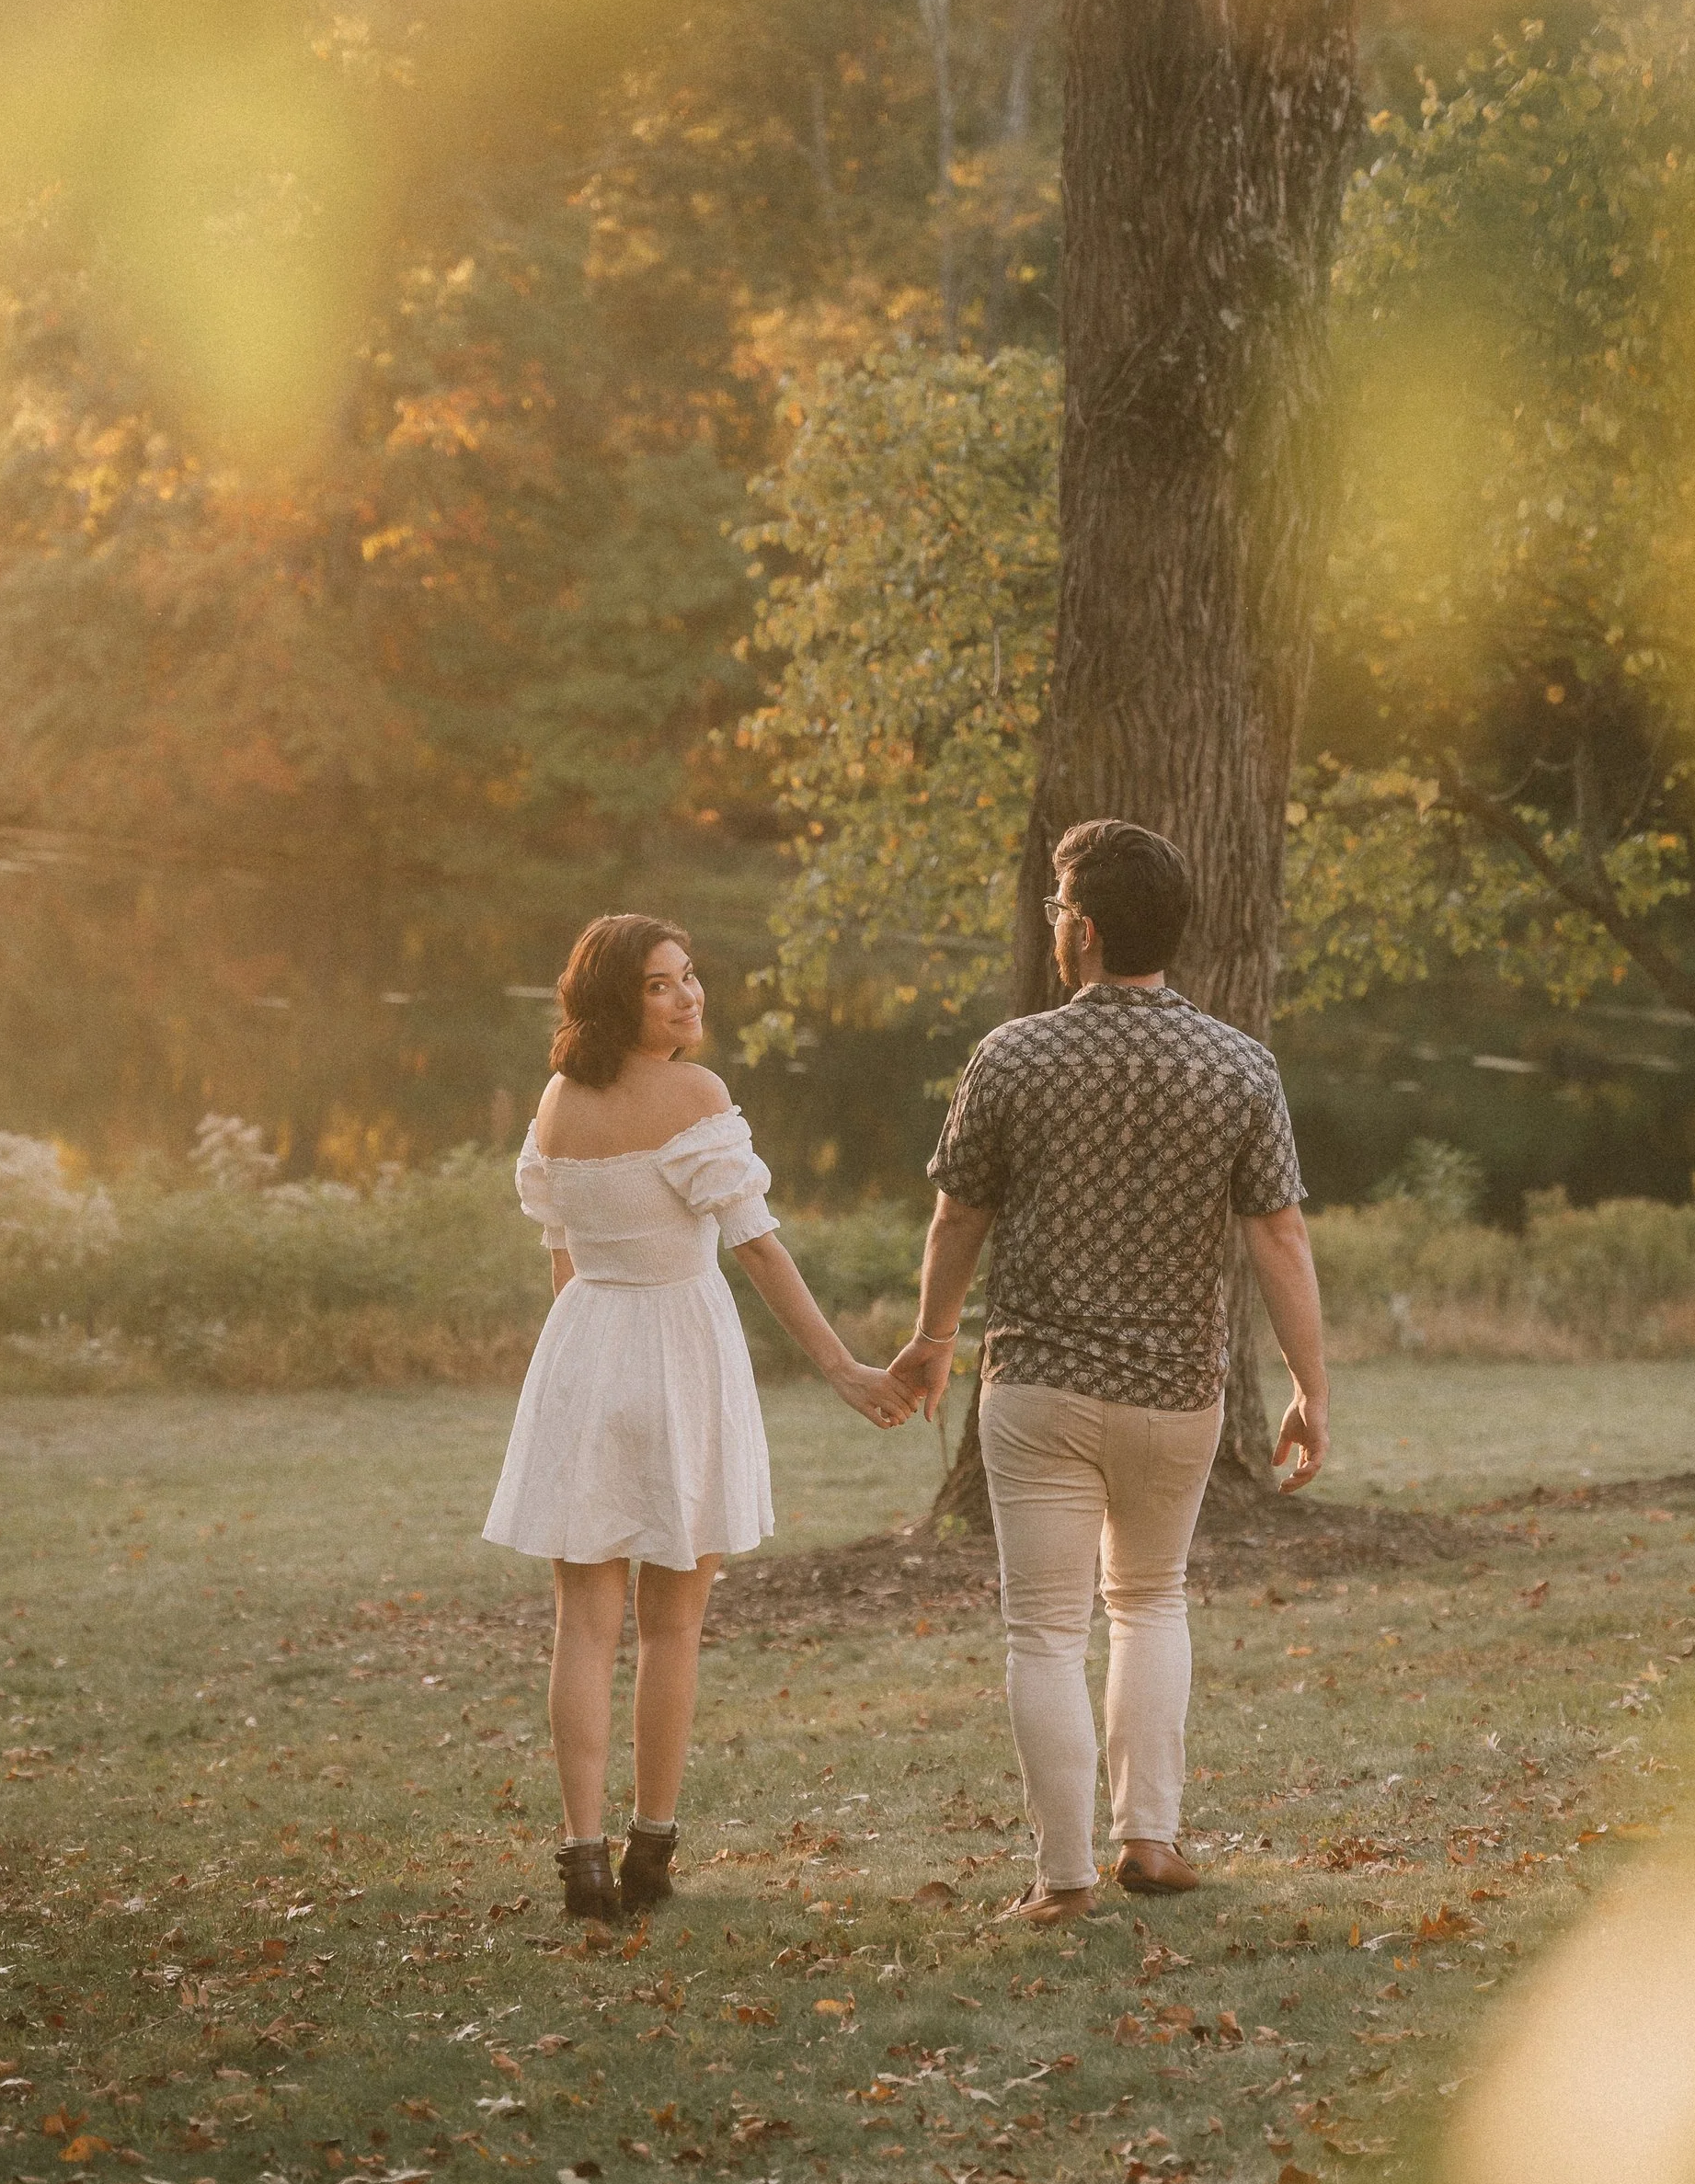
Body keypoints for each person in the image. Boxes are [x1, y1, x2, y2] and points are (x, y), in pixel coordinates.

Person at [888, 819, 1329, 1923]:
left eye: (1053, 910)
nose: (1052, 926)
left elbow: (958, 1212)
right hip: (1177, 1392)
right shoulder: (1238, 1065)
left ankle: (1064, 1874)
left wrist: (933, 1335)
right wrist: (1309, 1387)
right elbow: (1281, 1238)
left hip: (1037, 1386)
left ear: (1079, 930)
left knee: (1043, 1627)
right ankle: (1153, 1840)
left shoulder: (1014, 1055)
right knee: (1148, 1601)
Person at [485, 913, 910, 1927]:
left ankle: (586, 1859)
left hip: (584, 1344)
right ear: (614, 999)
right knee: (670, 1625)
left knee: (583, 1626)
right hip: (676, 1350)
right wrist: (844, 1365)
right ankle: (645, 1851)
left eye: (690, 977)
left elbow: (561, 1246)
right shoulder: (695, 1096)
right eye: (661, 986)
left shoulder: (558, 1098)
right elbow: (756, 1246)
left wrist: (578, 1377)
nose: (688, 997)